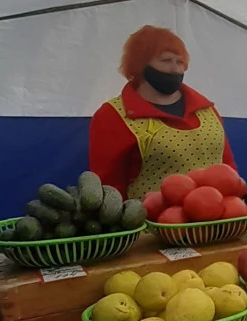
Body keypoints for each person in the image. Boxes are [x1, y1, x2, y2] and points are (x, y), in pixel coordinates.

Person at [89, 25, 236, 199]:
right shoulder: (112, 115)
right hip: (152, 222)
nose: (176, 70)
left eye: (180, 62)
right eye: (166, 60)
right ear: (140, 64)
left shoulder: (207, 110)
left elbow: (228, 168)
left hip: (219, 222)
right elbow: (109, 189)